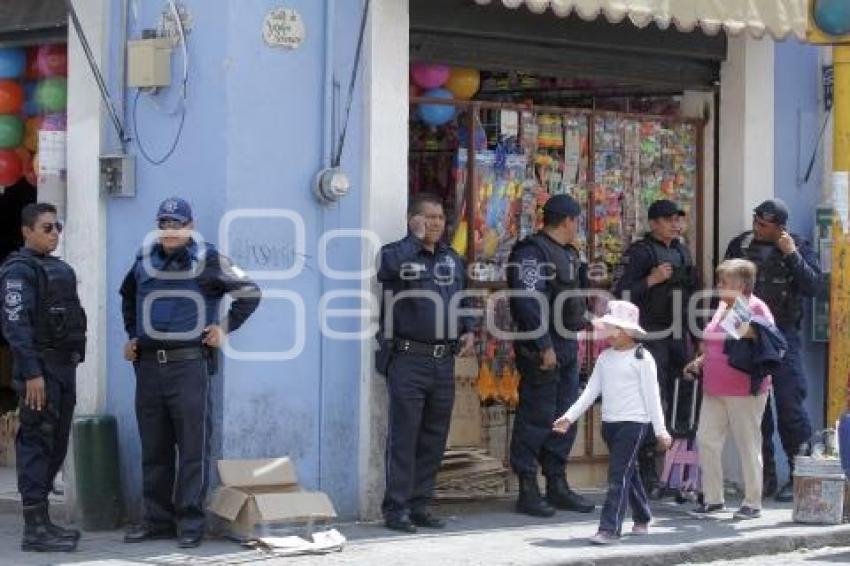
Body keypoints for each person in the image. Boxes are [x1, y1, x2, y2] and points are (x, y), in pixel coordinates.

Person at [120, 197, 260, 548]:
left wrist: (224, 329)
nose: (169, 230)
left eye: (177, 224)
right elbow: (127, 297)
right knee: (155, 448)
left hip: (189, 366)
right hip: (149, 367)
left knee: (193, 448)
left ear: (190, 226)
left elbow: (250, 293)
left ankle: (191, 523)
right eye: (164, 223)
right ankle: (156, 521)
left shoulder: (208, 259)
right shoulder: (143, 260)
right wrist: (132, 335)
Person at [377, 192, 475, 534]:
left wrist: (469, 329)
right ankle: (396, 509)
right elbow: (387, 271)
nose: (435, 223)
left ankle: (420, 505)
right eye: (428, 217)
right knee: (405, 436)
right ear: (412, 220)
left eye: (439, 218)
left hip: (442, 362)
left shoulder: (451, 258)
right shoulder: (397, 253)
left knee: (434, 437)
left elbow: (464, 297)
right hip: (407, 359)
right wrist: (414, 240)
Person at [0, 202, 86, 552]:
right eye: (46, 228)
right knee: (37, 442)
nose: (54, 234)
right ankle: (33, 529)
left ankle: (44, 522)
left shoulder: (56, 267)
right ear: (27, 231)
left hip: (63, 369)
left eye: (57, 227)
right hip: (41, 371)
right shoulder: (18, 271)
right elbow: (15, 324)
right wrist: (33, 372)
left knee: (57, 443)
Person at [724, 198, 822, 501]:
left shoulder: (798, 246)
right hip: (747, 335)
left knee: (791, 405)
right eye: (756, 221)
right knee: (757, 411)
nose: (757, 227)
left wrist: (791, 254)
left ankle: (799, 476)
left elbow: (815, 287)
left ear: (780, 227)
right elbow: (724, 288)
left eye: (764, 224)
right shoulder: (740, 246)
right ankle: (762, 478)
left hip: (782, 335)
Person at [553, 300, 671, 545]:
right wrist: (569, 417)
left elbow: (653, 397)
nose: (607, 333)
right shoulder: (605, 357)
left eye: (613, 328)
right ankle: (642, 515)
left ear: (628, 331)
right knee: (628, 472)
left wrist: (661, 430)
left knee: (617, 475)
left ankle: (609, 528)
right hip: (610, 425)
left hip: (634, 424)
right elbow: (589, 393)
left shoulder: (643, 358)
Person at [506, 194, 595, 517]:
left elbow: (573, 298)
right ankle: (528, 489)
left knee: (565, 417)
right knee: (536, 417)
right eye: (577, 221)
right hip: (542, 347)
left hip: (567, 343)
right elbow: (529, 302)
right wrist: (544, 346)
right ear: (568, 220)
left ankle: (556, 483)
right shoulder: (531, 252)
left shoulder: (568, 254)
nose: (578, 226)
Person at [612, 199, 699, 497]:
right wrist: (651, 279)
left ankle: (678, 470)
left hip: (678, 336)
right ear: (654, 223)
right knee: (652, 399)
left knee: (683, 399)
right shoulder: (640, 252)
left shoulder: (681, 251)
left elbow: (693, 296)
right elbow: (620, 293)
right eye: (668, 219)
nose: (675, 224)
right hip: (650, 336)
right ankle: (647, 469)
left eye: (678, 219)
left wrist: (698, 337)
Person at [685, 259, 774, 520]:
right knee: (707, 440)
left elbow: (761, 337)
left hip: (744, 388)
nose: (718, 285)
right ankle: (713, 499)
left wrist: (742, 318)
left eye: (724, 281)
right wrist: (700, 361)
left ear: (741, 284)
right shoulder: (724, 305)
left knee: (748, 445)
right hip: (715, 387)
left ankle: (753, 501)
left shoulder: (756, 307)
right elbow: (715, 342)